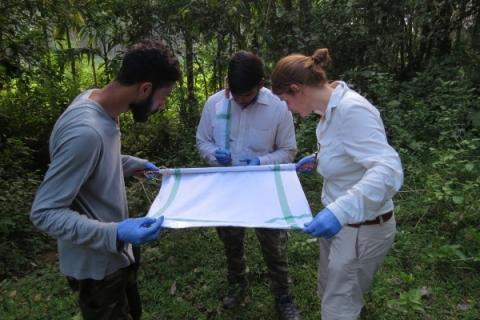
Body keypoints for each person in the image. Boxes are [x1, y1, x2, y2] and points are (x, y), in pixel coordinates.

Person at [30, 39, 181, 320]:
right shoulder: (86, 132)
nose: (162, 106)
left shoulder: (98, 103)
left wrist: (132, 165)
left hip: (117, 256)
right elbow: (44, 212)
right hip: (97, 269)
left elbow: (94, 164)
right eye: (164, 97)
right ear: (145, 88)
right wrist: (116, 232)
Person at [271, 48, 403, 320]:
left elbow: (388, 170)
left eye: (285, 100)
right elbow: (350, 152)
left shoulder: (351, 110)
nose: (287, 108)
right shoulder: (327, 110)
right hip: (341, 226)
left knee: (338, 308)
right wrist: (320, 159)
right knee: (329, 290)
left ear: (297, 89)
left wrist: (339, 211)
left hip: (362, 229)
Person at [196, 51, 300, 320]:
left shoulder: (278, 107)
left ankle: (283, 296)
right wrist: (211, 154)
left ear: (260, 85)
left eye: (246, 95)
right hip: (226, 186)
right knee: (231, 240)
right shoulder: (215, 103)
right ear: (228, 84)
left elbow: (288, 151)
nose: (240, 100)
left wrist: (262, 160)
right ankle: (237, 283)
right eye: (235, 94)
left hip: (264, 186)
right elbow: (202, 141)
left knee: (274, 244)